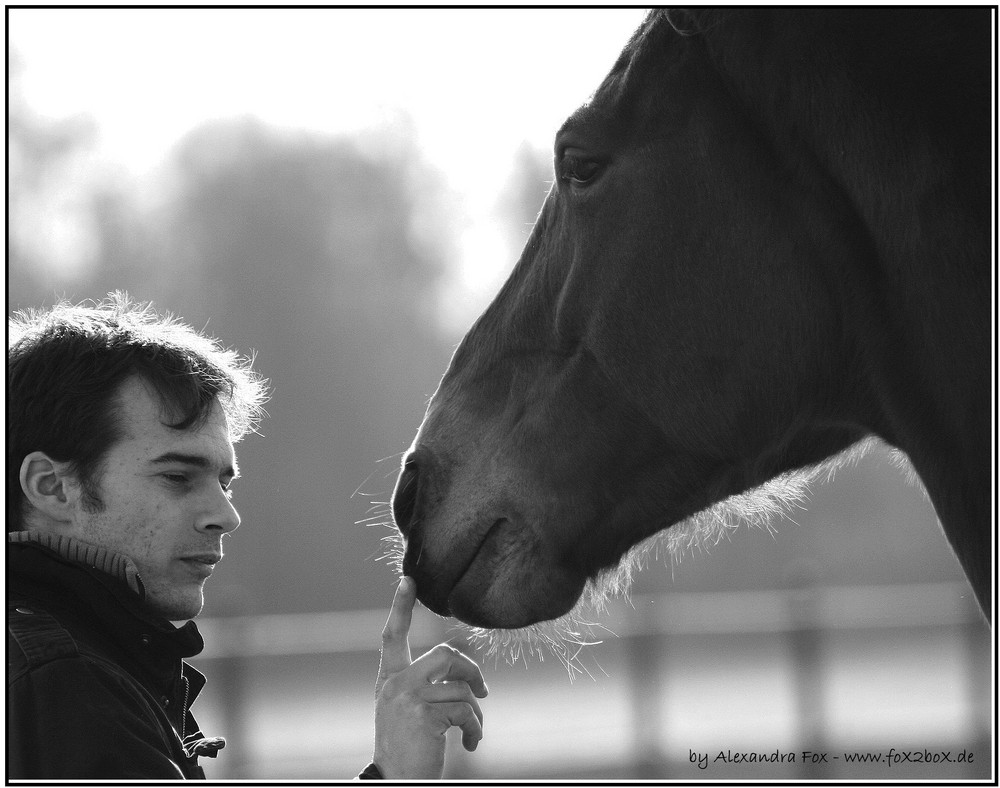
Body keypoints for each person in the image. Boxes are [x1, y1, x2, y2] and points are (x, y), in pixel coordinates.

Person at [7, 293, 487, 780]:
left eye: (224, 482)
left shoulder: (72, 665)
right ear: (51, 486)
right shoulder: (64, 685)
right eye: (177, 477)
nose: (226, 515)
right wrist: (395, 773)